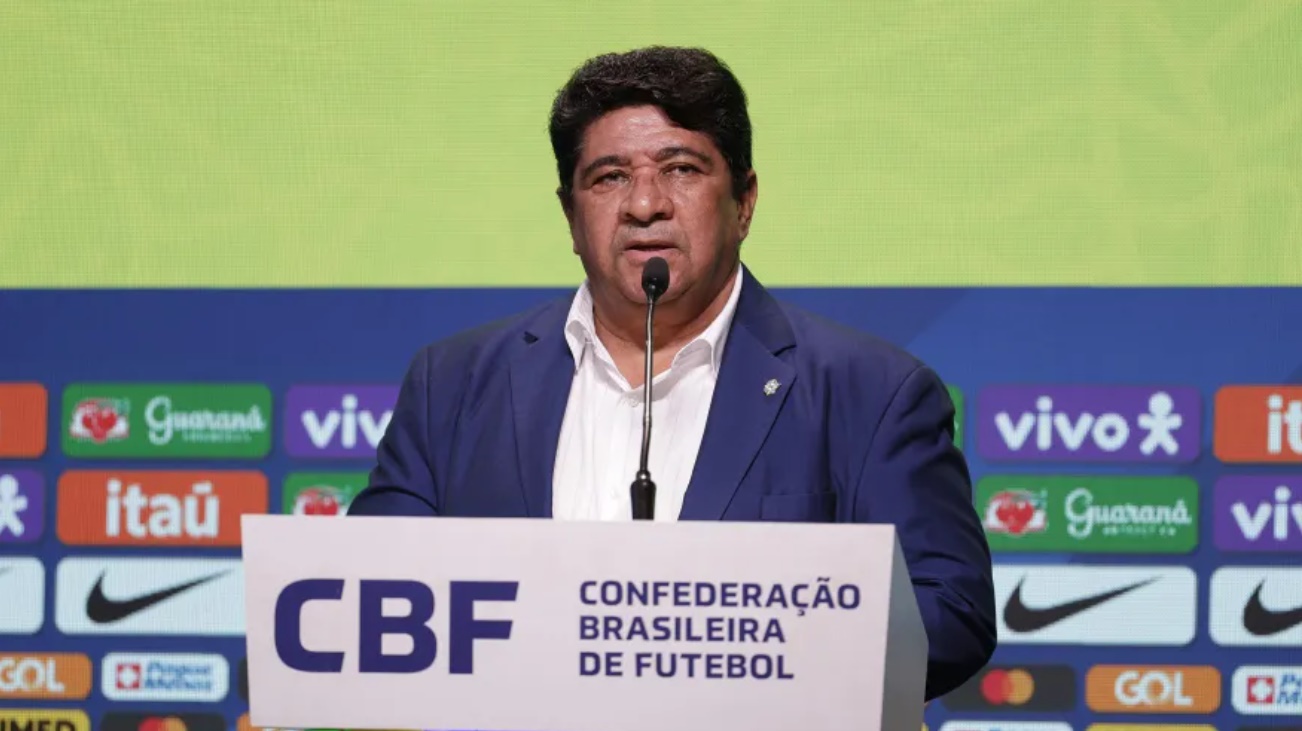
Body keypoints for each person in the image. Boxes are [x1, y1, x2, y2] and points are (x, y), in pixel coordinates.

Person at [347, 45, 995, 701]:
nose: (644, 203)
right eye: (609, 178)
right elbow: (366, 596)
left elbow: (950, 612)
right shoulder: (452, 384)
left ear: (744, 202)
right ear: (571, 216)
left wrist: (729, 641)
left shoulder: (871, 392)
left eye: (681, 169)